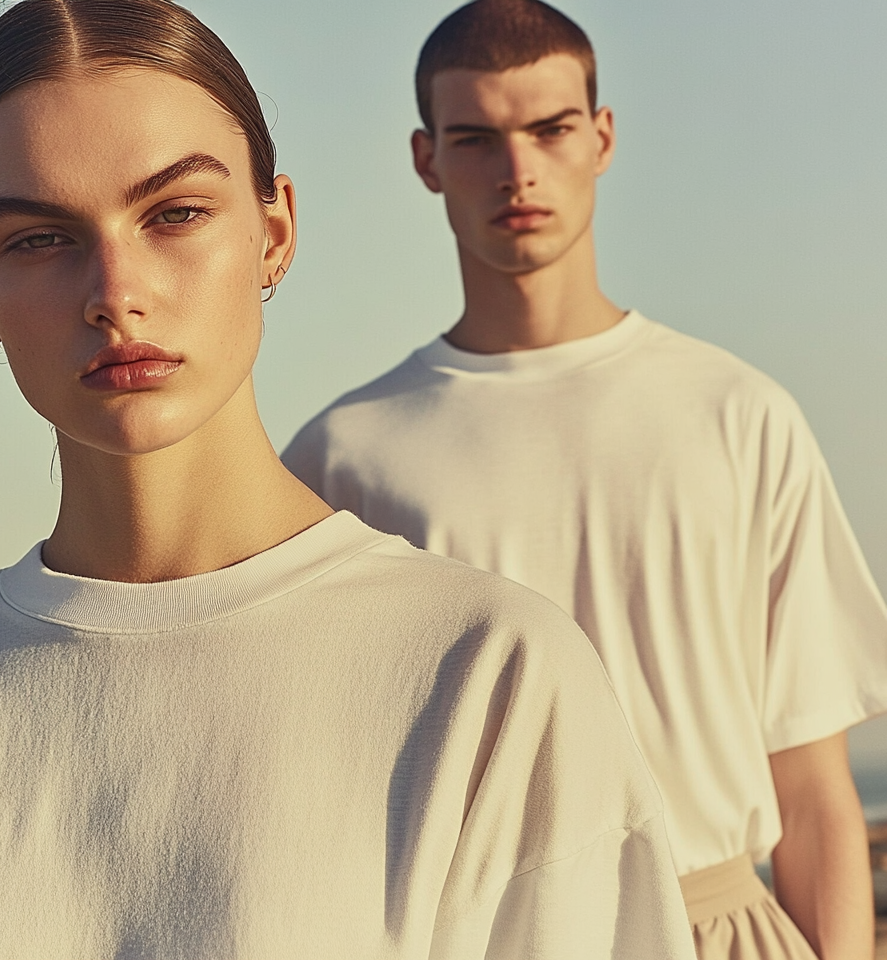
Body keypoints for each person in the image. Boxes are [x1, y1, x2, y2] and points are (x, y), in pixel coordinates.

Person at [0, 1, 695, 957]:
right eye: (39, 239)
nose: (116, 292)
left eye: (174, 213)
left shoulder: (488, 675)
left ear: (273, 232)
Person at [281, 1, 887, 958]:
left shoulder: (738, 414)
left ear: (600, 137)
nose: (517, 170)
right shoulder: (344, 457)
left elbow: (812, 791)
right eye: (475, 137)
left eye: (550, 129)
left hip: (720, 925)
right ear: (426, 159)